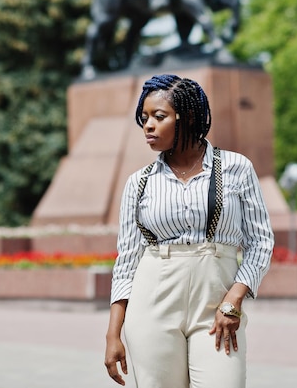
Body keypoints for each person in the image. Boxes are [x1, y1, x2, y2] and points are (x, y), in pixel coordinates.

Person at [104, 74, 274, 388]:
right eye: (144, 119)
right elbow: (126, 261)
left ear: (188, 117)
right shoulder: (138, 183)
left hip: (216, 301)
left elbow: (261, 241)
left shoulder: (236, 168)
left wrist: (233, 300)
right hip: (152, 300)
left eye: (159, 116)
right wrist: (113, 333)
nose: (148, 126)